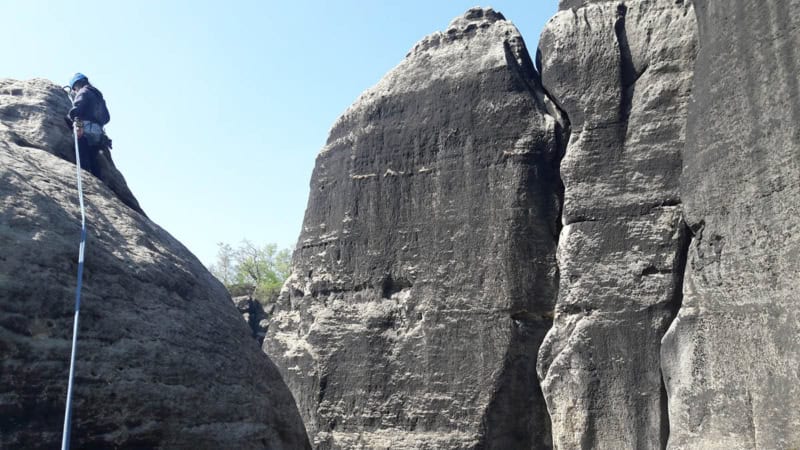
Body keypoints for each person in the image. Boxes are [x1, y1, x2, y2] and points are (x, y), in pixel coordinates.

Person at [65, 73, 111, 179]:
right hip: (98, 133)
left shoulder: (83, 92)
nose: (75, 91)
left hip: (85, 129)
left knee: (82, 153)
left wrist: (71, 120)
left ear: (76, 85)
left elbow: (77, 110)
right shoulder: (99, 97)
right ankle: (97, 180)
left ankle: (85, 175)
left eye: (74, 89)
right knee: (93, 158)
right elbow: (107, 117)